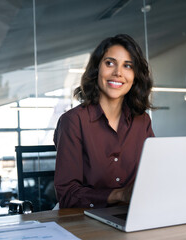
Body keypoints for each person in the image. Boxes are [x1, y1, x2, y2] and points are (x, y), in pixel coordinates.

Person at [53, 34, 155, 209]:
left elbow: (154, 173)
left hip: (133, 215)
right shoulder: (73, 121)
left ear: (135, 76)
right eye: (109, 63)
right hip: (84, 220)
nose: (118, 73)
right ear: (96, 69)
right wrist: (119, 195)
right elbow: (68, 195)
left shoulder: (142, 121)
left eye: (128, 66)